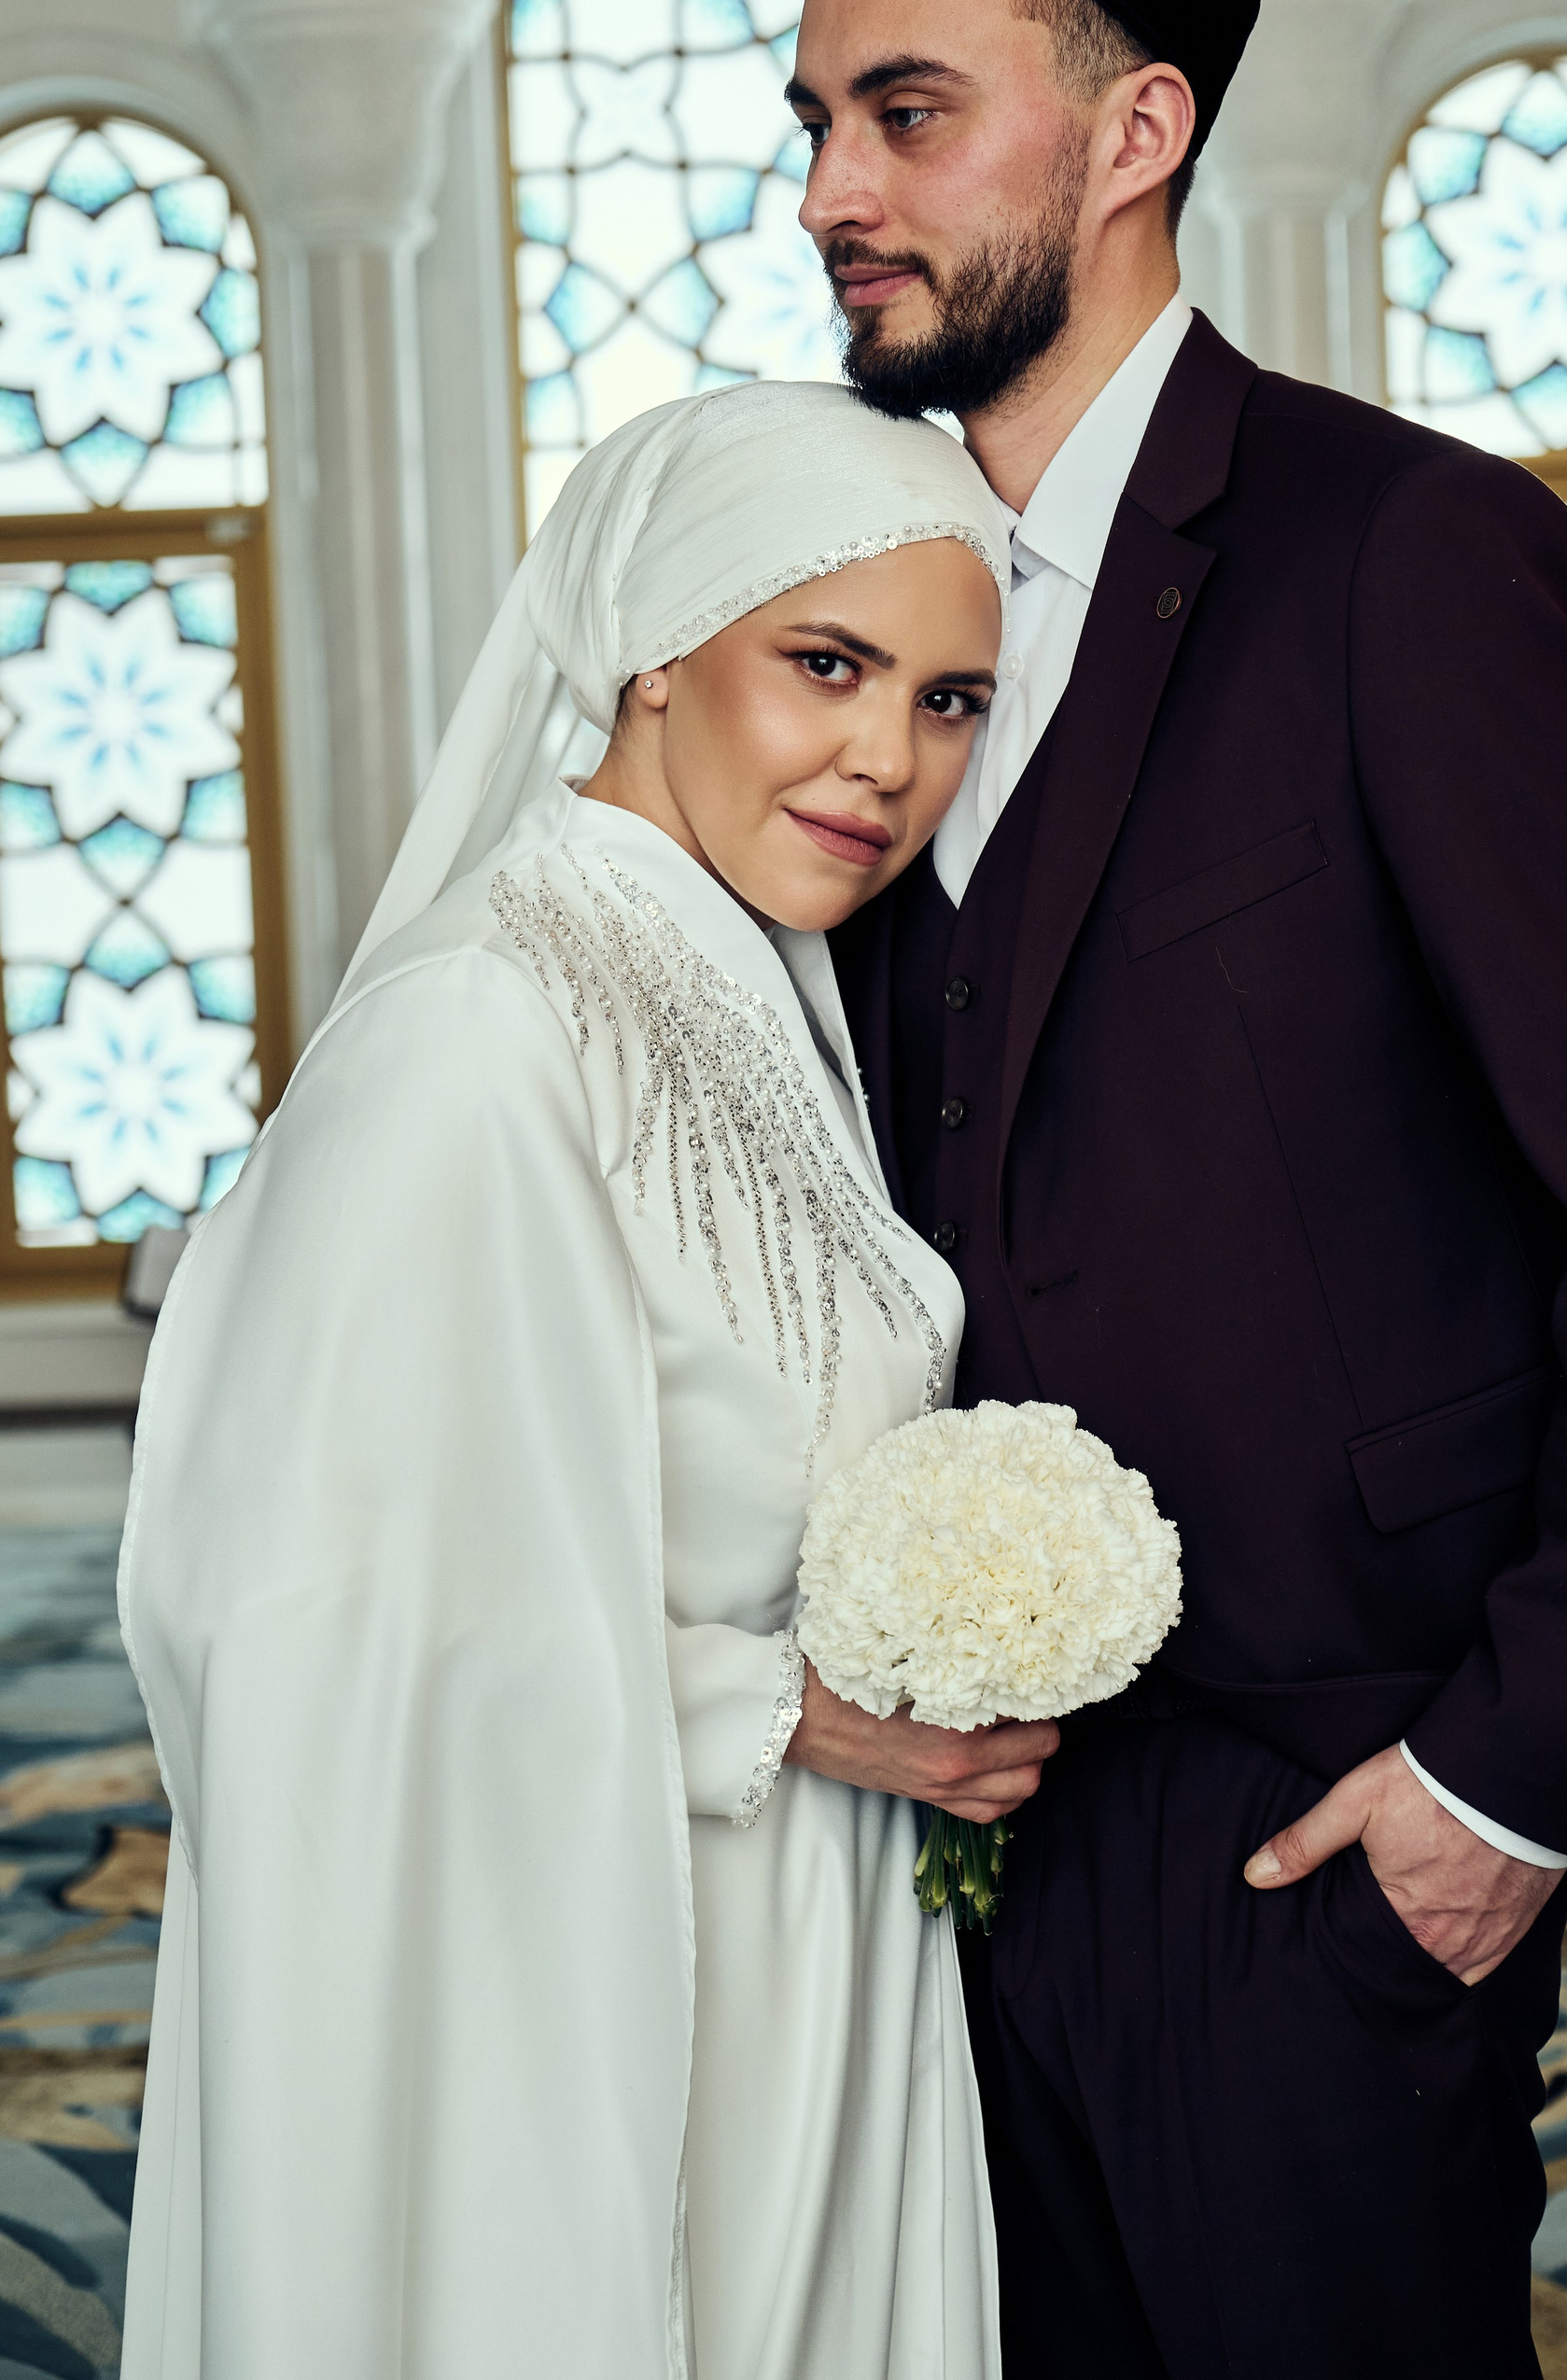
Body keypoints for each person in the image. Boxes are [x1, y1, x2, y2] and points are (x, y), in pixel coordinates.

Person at [788, 0, 1567, 2378]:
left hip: (1329, 1816)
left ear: (1139, 130)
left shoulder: (1410, 555)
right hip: (926, 1819)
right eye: (815, 124)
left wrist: (1499, 1790)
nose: (830, 194)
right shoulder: (824, 604)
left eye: (908, 113)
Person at [116, 379, 1063, 2380]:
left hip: (808, 1930)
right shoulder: (479, 1020)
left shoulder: (753, 971)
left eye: (950, 699)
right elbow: (300, 1612)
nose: (887, 759)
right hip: (589, 1958)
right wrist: (787, 1709)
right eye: (826, 666)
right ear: (654, 646)